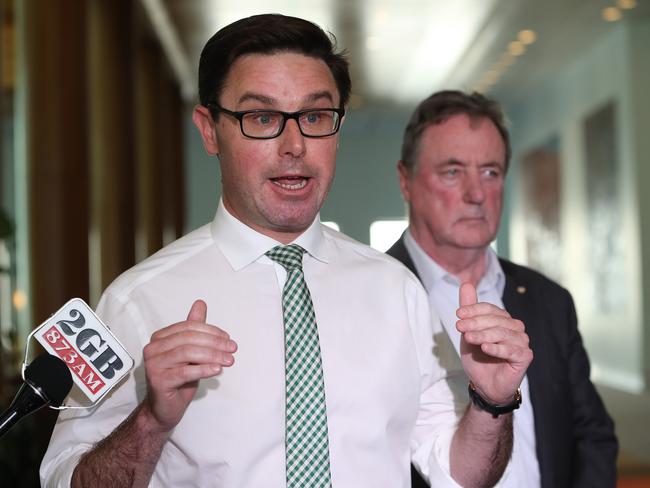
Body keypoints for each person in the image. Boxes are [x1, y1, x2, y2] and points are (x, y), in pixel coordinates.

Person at [40, 17, 532, 487]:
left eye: (315, 116)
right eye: (262, 117)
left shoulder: (397, 290)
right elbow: (65, 479)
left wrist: (492, 403)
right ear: (210, 129)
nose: (294, 144)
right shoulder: (136, 301)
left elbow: (460, 474)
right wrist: (151, 419)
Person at [387, 90, 618, 488]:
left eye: (490, 172)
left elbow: (592, 434)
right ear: (406, 181)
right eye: (453, 172)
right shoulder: (374, 294)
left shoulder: (547, 299)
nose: (477, 194)